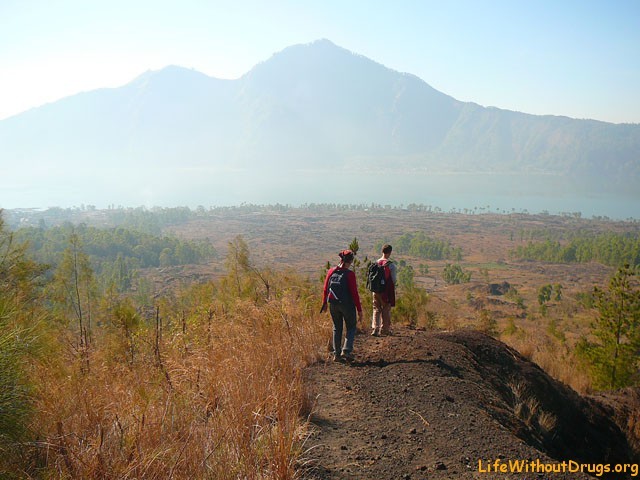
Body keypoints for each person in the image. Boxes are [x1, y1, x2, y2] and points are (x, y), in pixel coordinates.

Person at [321, 249, 363, 362]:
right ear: (351, 261)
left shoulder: (331, 271)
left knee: (336, 327)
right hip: (347, 305)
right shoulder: (350, 274)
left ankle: (337, 354)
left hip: (333, 304)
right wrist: (359, 309)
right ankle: (347, 350)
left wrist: (324, 303)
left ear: (341, 259)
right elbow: (354, 293)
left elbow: (325, 289)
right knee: (351, 327)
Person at [371, 244, 397, 336]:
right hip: (386, 291)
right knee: (386, 309)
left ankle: (375, 328)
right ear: (390, 252)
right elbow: (393, 280)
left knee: (376, 309)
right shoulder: (391, 265)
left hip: (375, 290)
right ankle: (385, 329)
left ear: (382, 251)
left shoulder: (375, 263)